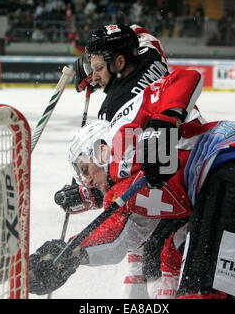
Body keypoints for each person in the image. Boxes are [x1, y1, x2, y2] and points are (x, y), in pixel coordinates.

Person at [29, 68, 235, 299]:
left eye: (84, 169)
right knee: (182, 271)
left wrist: (164, 121)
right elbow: (118, 236)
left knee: (201, 292)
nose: (86, 180)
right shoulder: (125, 192)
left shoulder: (124, 130)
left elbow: (185, 77)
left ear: (100, 150)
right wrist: (68, 256)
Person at [55, 23, 177, 298]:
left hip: (167, 176)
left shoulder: (116, 111)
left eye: (99, 69)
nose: (95, 77)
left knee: (149, 243)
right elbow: (137, 31)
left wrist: (88, 194)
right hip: (179, 150)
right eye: (94, 67)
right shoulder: (151, 55)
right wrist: (96, 62)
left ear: (119, 62)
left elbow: (122, 176)